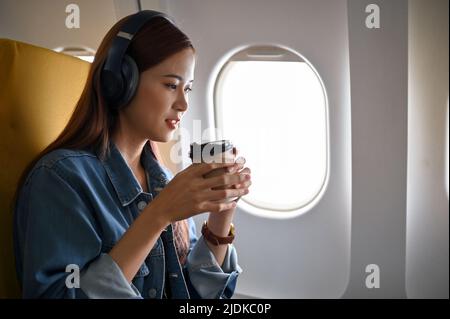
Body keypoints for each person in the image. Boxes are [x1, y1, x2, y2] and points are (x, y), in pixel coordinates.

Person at [13, 10, 252, 299]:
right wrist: (158, 215)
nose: (183, 104)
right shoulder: (60, 180)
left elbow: (191, 295)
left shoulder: (162, 178)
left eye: (187, 88)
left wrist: (222, 213)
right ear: (121, 81)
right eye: (171, 85)